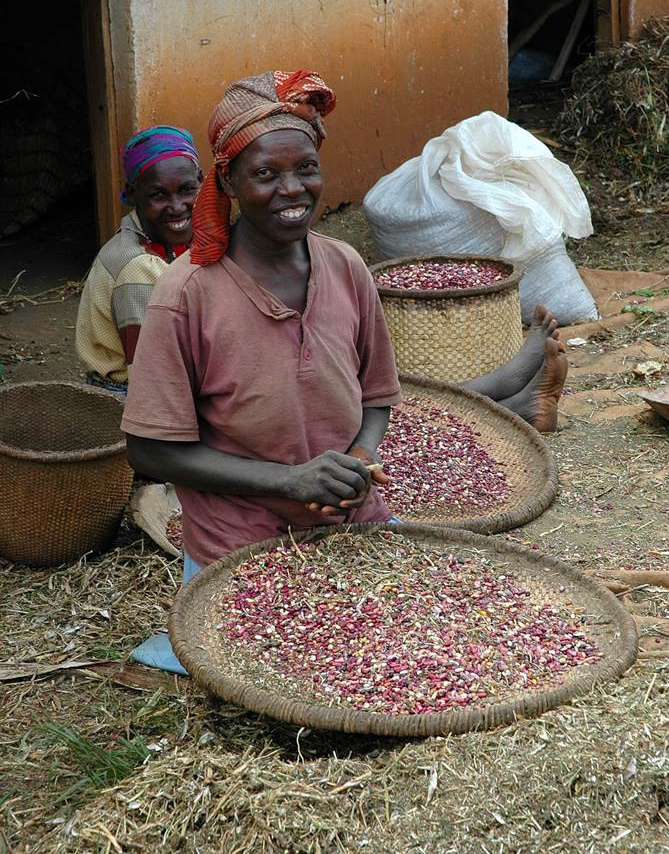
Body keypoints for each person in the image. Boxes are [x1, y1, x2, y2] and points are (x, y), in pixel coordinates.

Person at [121, 70, 567, 674]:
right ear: (226, 180)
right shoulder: (186, 295)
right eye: (265, 174)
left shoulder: (346, 266)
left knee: (446, 647)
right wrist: (289, 482)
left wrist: (357, 459)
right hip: (244, 543)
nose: (291, 189)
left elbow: (378, 394)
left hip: (352, 520)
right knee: (298, 671)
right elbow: (150, 450)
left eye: (305, 168)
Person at [75, 126, 202, 393]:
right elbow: (155, 375)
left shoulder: (169, 240)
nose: (177, 206)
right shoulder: (137, 268)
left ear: (201, 181)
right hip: (131, 393)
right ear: (132, 194)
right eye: (158, 195)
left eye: (187, 189)